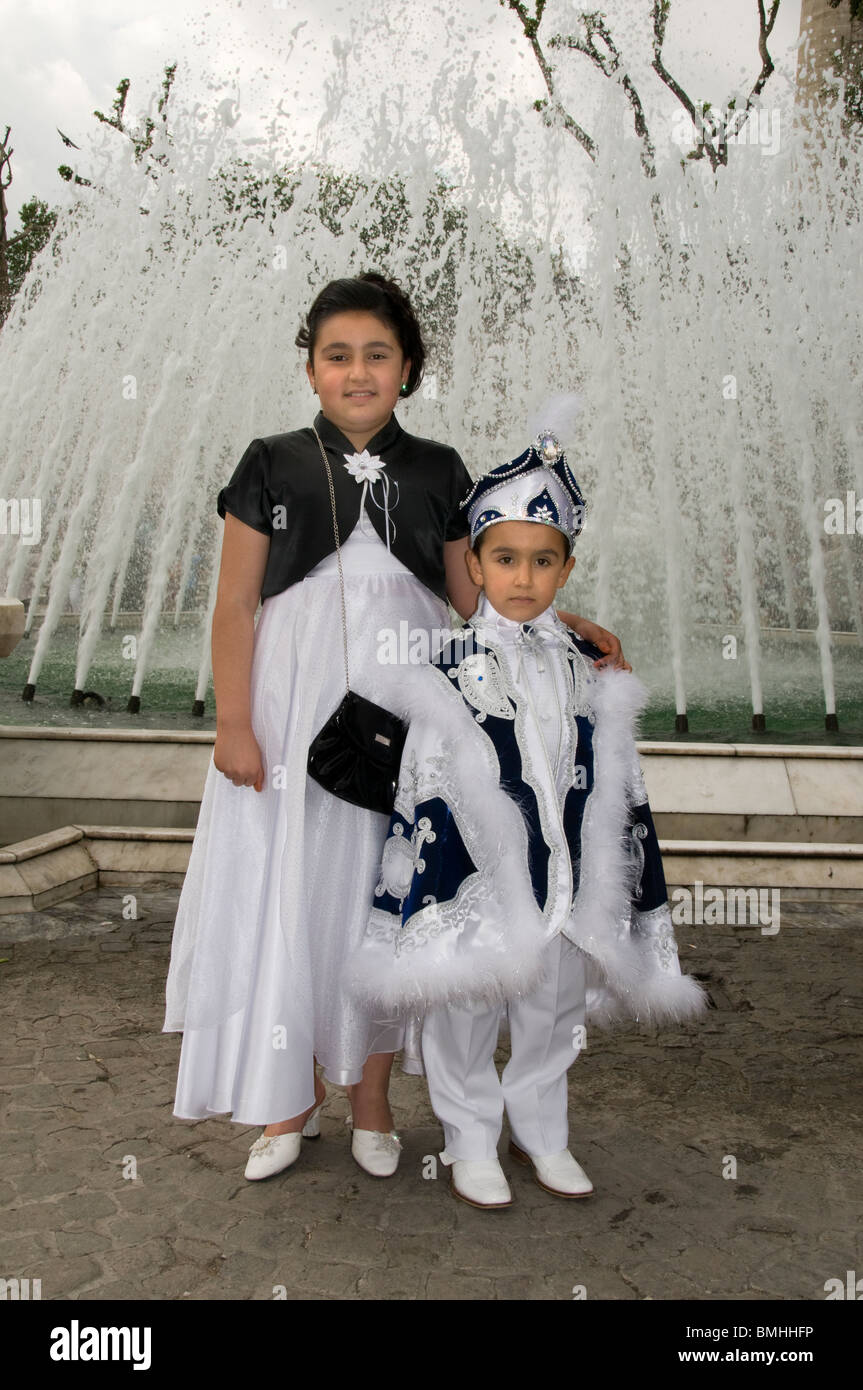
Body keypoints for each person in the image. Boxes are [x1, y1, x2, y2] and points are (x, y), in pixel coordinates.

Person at [163, 272, 629, 1183]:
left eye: (378, 355)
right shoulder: (270, 462)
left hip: (406, 718)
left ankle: (371, 1096)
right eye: (337, 355)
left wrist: (565, 625)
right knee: (291, 894)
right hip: (292, 711)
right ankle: (285, 1102)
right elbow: (234, 607)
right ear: (310, 369)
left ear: (407, 369)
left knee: (389, 893)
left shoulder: (440, 469)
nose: (357, 371)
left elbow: (476, 598)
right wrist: (234, 723)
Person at [350, 429, 708, 1208]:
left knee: (552, 1016)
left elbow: (615, 782)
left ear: (565, 569)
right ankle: (469, 1137)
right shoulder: (444, 668)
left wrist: (612, 872)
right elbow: (426, 784)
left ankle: (541, 1132)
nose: (523, 577)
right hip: (479, 881)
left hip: (569, 888)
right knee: (466, 1011)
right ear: (473, 565)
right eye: (504, 559)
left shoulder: (589, 669)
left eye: (542, 561)